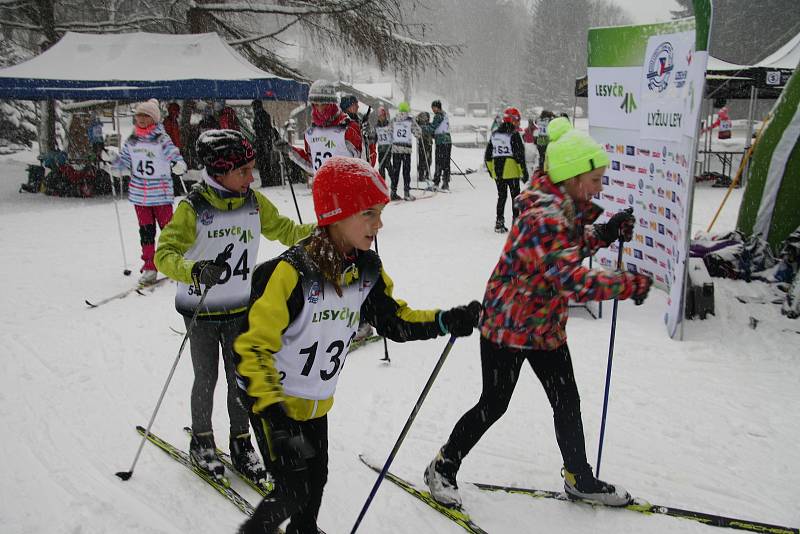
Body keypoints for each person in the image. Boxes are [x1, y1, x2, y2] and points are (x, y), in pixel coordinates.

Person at [232, 155, 482, 534]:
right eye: (368, 213)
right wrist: (278, 421)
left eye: (380, 213)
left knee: (316, 479)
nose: (379, 224)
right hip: (274, 403)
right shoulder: (289, 273)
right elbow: (252, 349)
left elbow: (394, 321)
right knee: (293, 487)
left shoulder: (365, 269)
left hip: (317, 400)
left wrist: (447, 320)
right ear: (335, 214)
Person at [424, 117, 653, 509]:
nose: (600, 187)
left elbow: (565, 248)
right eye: (595, 179)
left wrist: (606, 232)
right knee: (494, 403)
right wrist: (629, 284)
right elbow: (571, 280)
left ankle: (579, 477)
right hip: (508, 325)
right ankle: (443, 466)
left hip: (544, 326)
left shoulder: (559, 204)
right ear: (574, 176)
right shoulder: (543, 215)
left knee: (567, 400)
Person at [154, 129, 315, 485]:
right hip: (201, 311)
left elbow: (284, 230)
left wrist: (322, 233)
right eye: (243, 171)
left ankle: (241, 442)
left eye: (252, 169)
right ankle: (202, 440)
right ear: (220, 170)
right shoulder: (193, 208)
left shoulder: (254, 202)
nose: (251, 177)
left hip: (239, 309)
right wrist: (194, 270)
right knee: (207, 377)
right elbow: (163, 255)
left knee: (239, 379)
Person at [113, 98, 187, 285]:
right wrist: (114, 164)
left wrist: (178, 164)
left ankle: (173, 262)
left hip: (160, 194)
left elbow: (174, 154)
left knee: (168, 231)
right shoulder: (132, 140)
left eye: (146, 116)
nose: (142, 119)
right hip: (140, 195)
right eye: (139, 115)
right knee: (146, 232)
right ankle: (149, 266)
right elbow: (123, 160)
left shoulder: (161, 138)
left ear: (154, 118)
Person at [277, 79, 376, 177]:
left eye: (324, 104)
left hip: (346, 190)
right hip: (322, 190)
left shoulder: (348, 128)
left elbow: (365, 168)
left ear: (332, 103)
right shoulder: (311, 133)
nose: (320, 109)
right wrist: (290, 150)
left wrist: (370, 143)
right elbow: (312, 166)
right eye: (316, 104)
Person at [485, 107, 528, 233]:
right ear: (513, 120)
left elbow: (488, 156)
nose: (519, 123)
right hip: (511, 170)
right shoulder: (514, 134)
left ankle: (499, 222)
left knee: (501, 196)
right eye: (518, 120)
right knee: (515, 197)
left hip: (498, 171)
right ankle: (516, 223)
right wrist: (524, 172)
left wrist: (491, 171)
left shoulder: (495, 134)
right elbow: (519, 155)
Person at [389, 101, 421, 201]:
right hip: (406, 150)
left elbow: (389, 131)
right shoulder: (410, 120)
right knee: (406, 171)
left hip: (396, 149)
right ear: (407, 110)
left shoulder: (394, 120)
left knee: (395, 171)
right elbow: (418, 133)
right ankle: (407, 193)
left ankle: (393, 192)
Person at [424, 100, 452, 191]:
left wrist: (422, 128)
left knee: (439, 162)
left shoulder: (438, 116)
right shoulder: (444, 114)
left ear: (437, 107)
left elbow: (432, 128)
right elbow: (437, 128)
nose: (432, 110)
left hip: (441, 142)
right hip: (447, 141)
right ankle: (445, 182)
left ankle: (437, 182)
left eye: (433, 107)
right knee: (446, 162)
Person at [251, 100, 276, 187]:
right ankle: (268, 181)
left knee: (262, 164)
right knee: (267, 163)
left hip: (261, 143)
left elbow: (256, 127)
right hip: (266, 143)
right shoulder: (266, 115)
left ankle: (265, 182)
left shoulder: (258, 116)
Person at [375, 106, 393, 182]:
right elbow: (375, 137)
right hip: (380, 149)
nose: (381, 118)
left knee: (388, 164)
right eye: (380, 116)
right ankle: (382, 181)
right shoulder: (376, 126)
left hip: (388, 148)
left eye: (383, 116)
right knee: (381, 166)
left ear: (385, 116)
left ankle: (393, 179)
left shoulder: (389, 125)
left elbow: (393, 135)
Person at [415, 111, 433, 184]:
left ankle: (427, 174)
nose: (425, 119)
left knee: (429, 160)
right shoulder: (418, 125)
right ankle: (421, 175)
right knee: (422, 159)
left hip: (429, 144)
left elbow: (433, 132)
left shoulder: (429, 125)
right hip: (422, 144)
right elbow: (415, 123)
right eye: (423, 117)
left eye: (426, 117)